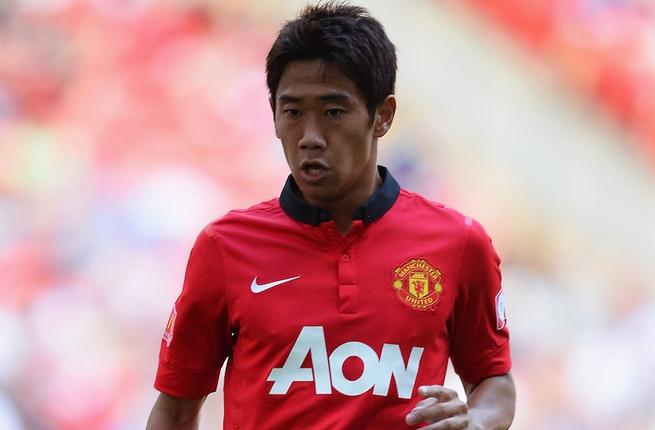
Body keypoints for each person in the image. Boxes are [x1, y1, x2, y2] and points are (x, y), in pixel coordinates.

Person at [146, 2, 516, 429]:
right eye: (292, 112)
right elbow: (174, 410)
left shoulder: (458, 243)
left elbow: (493, 380)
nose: (310, 137)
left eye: (333, 112)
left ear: (382, 116)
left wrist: (476, 423)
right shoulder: (225, 247)